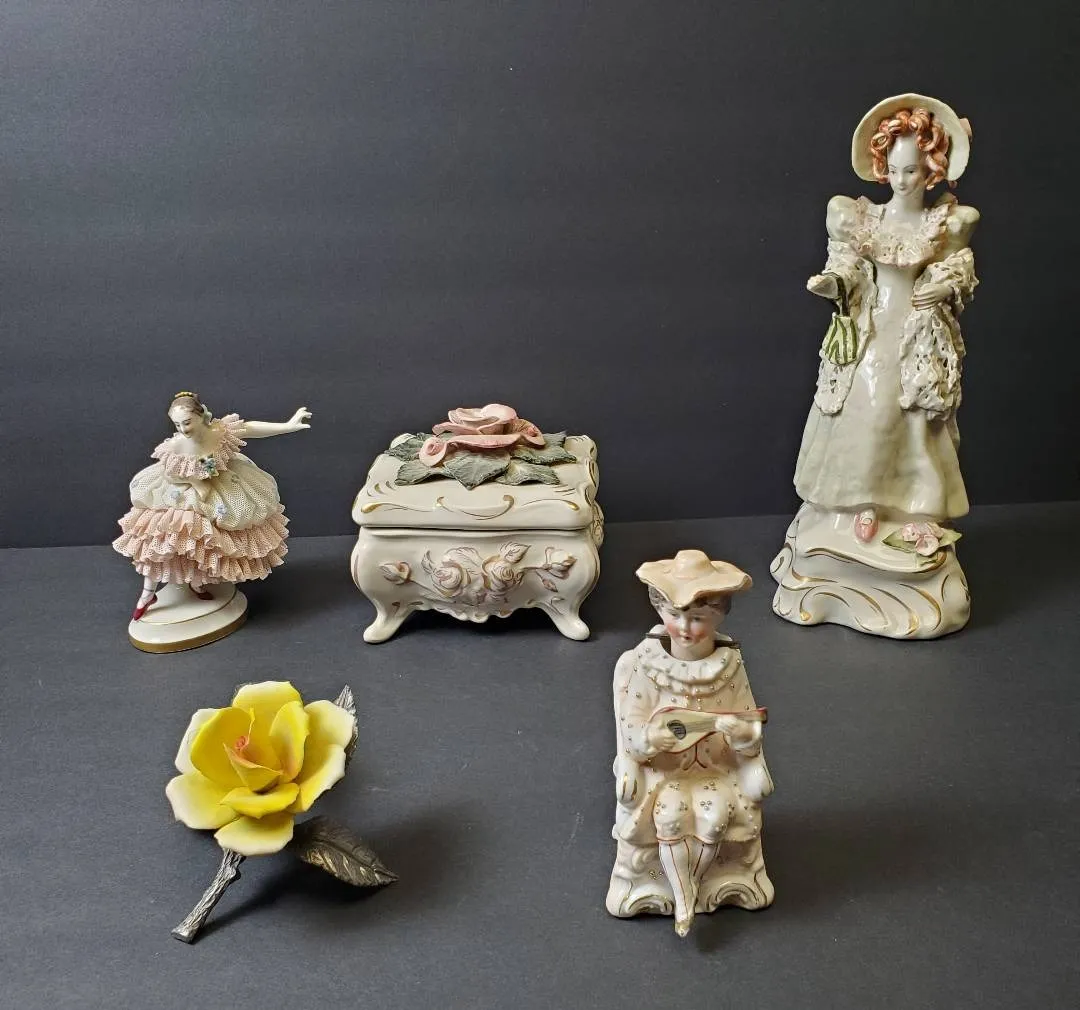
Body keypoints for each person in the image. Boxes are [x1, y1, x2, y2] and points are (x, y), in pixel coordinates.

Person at [794, 94, 979, 544]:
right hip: (872, 330)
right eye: (893, 170)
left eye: (911, 170)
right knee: (865, 408)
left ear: (931, 169)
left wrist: (944, 287)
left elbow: (957, 269)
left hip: (917, 334)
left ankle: (920, 506)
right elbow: (850, 267)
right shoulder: (861, 218)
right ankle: (863, 501)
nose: (900, 180)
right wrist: (834, 284)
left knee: (916, 418)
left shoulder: (948, 222)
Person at [607, 550, 773, 937]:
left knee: (713, 817)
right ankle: (684, 900)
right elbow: (631, 730)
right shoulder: (646, 665)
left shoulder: (729, 665)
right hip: (663, 772)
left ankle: (693, 883)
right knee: (670, 814)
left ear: (719, 616)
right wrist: (652, 738)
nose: (684, 627)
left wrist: (741, 735)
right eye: (674, 615)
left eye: (698, 618)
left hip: (716, 770)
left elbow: (750, 724)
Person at [113, 392, 311, 620]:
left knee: (209, 542)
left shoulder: (219, 431)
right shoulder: (177, 444)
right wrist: (194, 482)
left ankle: (197, 581)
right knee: (165, 536)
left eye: (187, 422)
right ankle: (148, 593)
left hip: (220, 487)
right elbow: (170, 473)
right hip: (182, 493)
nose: (183, 429)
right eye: (177, 424)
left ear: (201, 415)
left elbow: (250, 428)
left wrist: (288, 426)